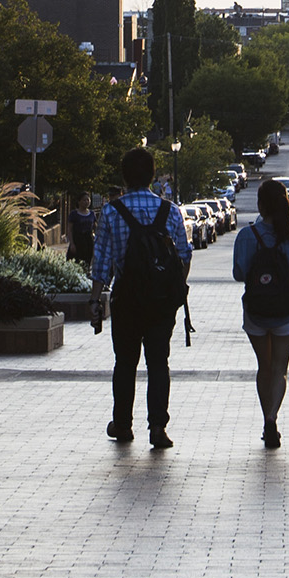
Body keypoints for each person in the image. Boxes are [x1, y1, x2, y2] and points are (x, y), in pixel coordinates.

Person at [93, 148, 193, 449]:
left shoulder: (112, 212)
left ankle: (122, 424)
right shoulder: (170, 210)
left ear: (124, 175)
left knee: (125, 363)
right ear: (152, 175)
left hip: (127, 299)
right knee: (158, 363)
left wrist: (95, 301)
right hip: (161, 301)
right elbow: (184, 255)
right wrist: (175, 286)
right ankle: (158, 427)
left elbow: (102, 262)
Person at [229, 179, 289, 449]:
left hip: (256, 311)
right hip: (286, 312)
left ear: (260, 204)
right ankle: (273, 418)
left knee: (263, 366)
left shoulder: (246, 236)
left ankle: (266, 418)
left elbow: (239, 273)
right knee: (280, 368)